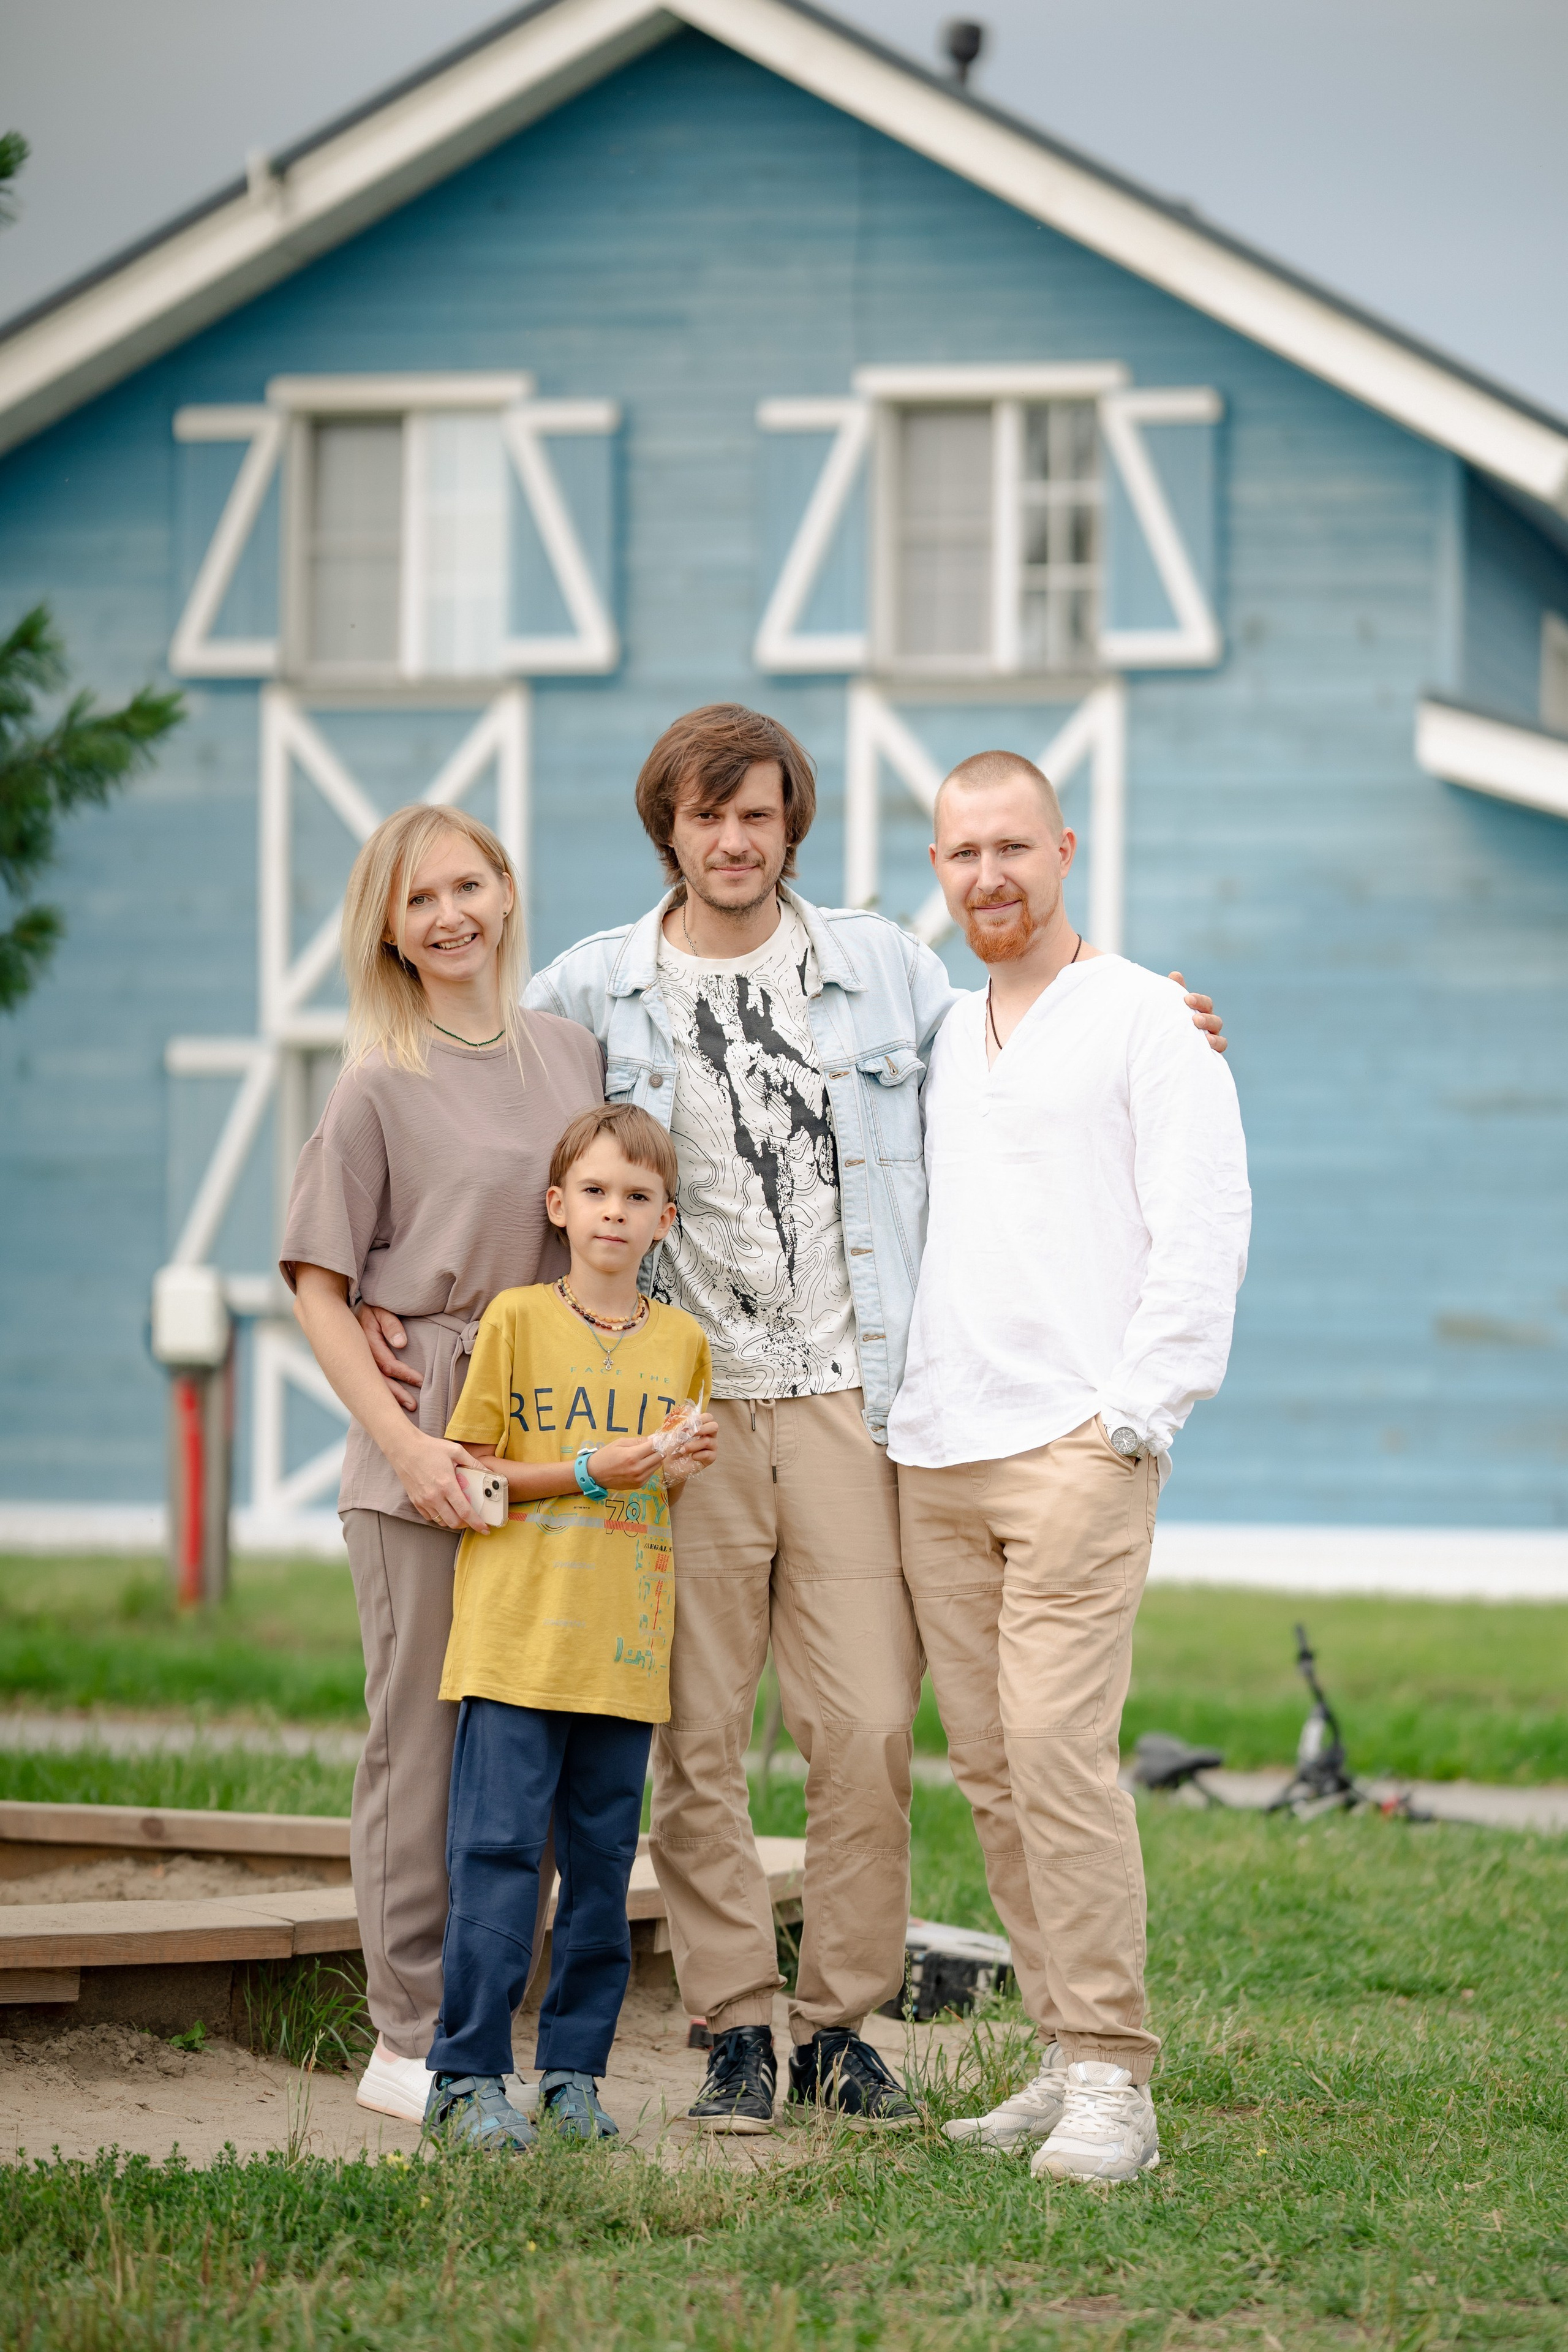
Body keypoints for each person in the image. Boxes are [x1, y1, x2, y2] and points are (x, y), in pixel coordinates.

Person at [508, 704, 1229, 2133]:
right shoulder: (590, 992)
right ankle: (731, 2026)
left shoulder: (886, 972)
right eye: (705, 816)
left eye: (759, 814)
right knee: (698, 1736)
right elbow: (502, 1120)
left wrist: (1161, 1015)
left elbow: (1029, 1024)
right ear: (670, 827)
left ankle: (837, 2020)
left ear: (793, 827)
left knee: (865, 1735)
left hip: (855, 1407)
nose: (732, 840)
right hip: (687, 1416)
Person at [888, 750, 1251, 2185]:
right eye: (960, 853)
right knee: (987, 1766)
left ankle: (1114, 2079)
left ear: (1064, 850)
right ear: (937, 869)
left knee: (1056, 1749)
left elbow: (1201, 1223)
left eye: (1012, 848)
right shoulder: (935, 1029)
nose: (988, 875)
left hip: (1075, 1446)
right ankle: (1058, 2051)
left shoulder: (1146, 1017)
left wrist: (1138, 1414)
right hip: (935, 1446)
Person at [282, 805, 603, 2125]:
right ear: (390, 929)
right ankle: (404, 2037)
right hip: (419, 1446)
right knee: (418, 1746)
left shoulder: (573, 1050)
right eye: (419, 900)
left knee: (520, 1748)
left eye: (467, 885)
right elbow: (316, 1282)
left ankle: (492, 2022)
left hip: (542, 1449)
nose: (450, 914)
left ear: (506, 890)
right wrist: (409, 1447)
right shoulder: (375, 1078)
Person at [422, 1103, 715, 2152]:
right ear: (558, 1206)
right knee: (497, 1857)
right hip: (514, 1643)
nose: (613, 1212)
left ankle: (573, 2079)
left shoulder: (684, 1345)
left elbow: (656, 1495)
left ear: (665, 1222)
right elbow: (469, 1479)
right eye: (594, 1191)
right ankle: (464, 2077)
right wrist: (593, 1468)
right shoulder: (513, 1320)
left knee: (601, 1875)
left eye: (638, 1198)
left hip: (622, 1655)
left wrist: (672, 1470)